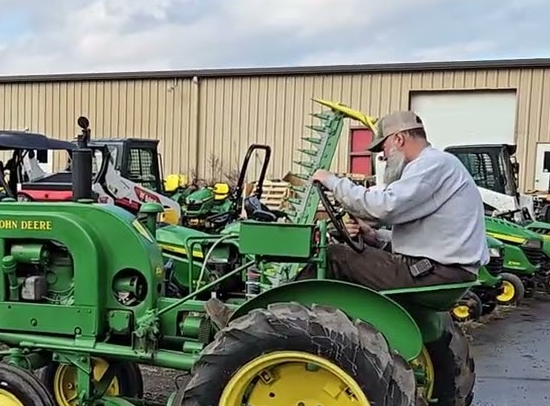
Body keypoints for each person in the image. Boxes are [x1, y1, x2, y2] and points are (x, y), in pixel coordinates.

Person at [203, 110, 489, 326]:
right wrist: (372, 236)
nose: (383, 157)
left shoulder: (431, 165)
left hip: (433, 273)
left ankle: (259, 323)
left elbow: (383, 207)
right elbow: (424, 234)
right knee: (351, 253)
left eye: (384, 149)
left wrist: (332, 180)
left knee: (335, 257)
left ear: (399, 139)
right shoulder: (436, 168)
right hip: (436, 269)